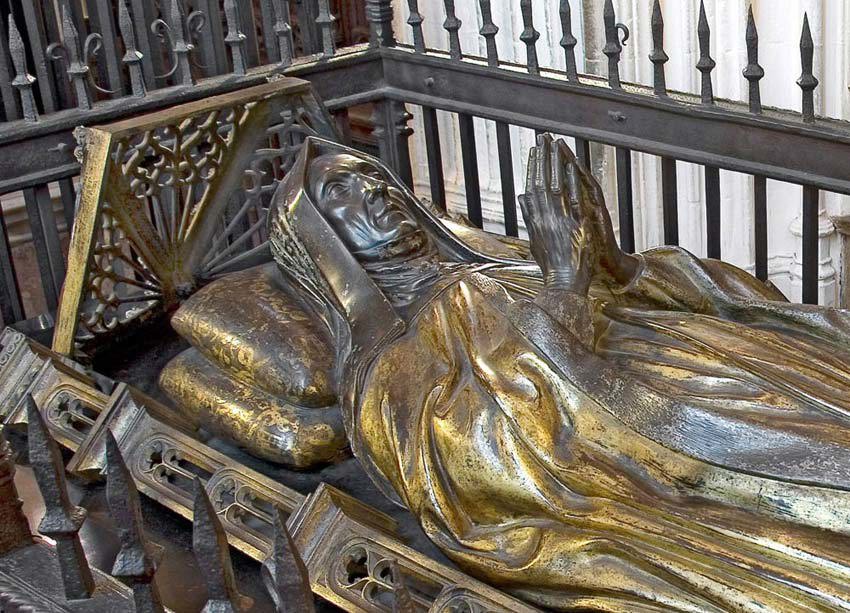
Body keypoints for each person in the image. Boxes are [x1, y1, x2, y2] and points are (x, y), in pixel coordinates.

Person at [269, 135, 850, 610]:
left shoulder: (499, 260)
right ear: (322, 244)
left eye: (374, 178)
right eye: (343, 191)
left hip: (713, 362)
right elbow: (481, 465)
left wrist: (614, 261)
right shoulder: (389, 365)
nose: (376, 192)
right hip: (656, 437)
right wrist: (566, 287)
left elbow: (670, 297)